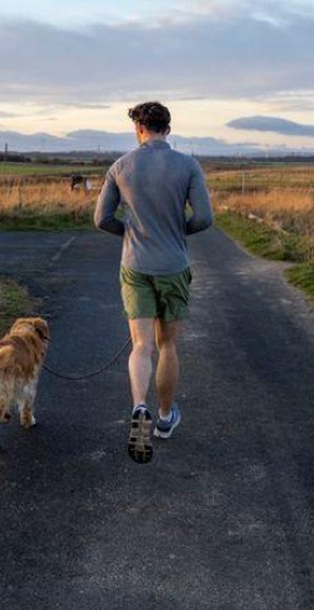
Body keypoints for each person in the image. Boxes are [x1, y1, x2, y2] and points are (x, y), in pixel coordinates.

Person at [94, 101, 213, 464]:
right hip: (173, 265)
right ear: (169, 129)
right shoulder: (188, 165)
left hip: (135, 265)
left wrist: (128, 232)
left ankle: (139, 406)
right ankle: (163, 419)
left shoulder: (121, 166)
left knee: (141, 345)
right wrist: (178, 231)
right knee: (168, 346)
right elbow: (204, 218)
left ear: (138, 129)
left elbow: (101, 219)